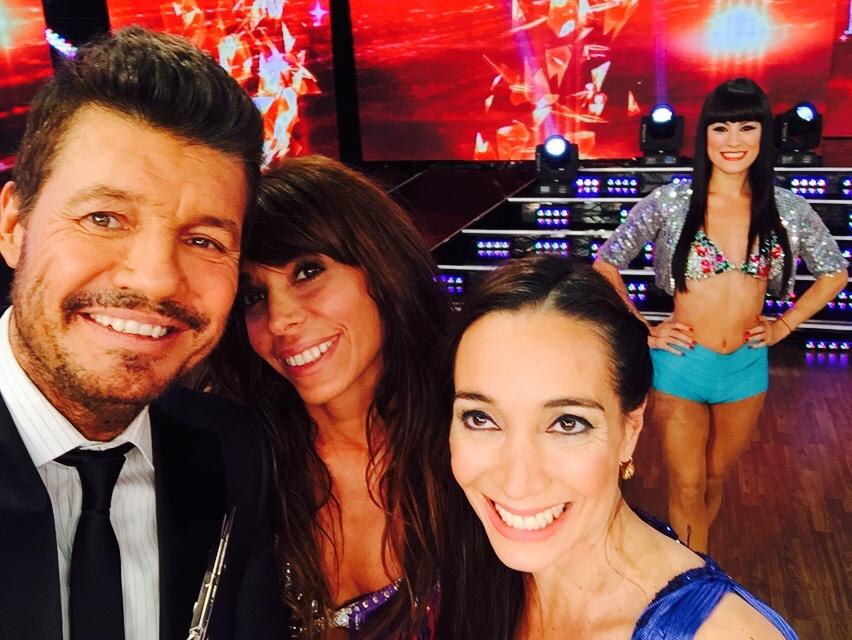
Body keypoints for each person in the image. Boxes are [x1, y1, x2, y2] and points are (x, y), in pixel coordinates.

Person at [0, 27, 287, 640]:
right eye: (104, 218)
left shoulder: (235, 452)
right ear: (14, 226)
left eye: (204, 240)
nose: (157, 280)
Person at [435, 254, 797, 639]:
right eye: (480, 418)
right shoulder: (460, 566)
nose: (517, 483)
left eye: (567, 423)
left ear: (630, 428)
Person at [594, 78, 848, 552]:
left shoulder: (787, 209)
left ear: (764, 135)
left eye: (746, 128)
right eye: (721, 128)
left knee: (714, 479)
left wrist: (784, 326)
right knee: (688, 485)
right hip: (682, 365)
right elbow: (607, 262)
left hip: (746, 369)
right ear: (704, 136)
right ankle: (694, 579)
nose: (733, 141)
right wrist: (642, 328)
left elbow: (835, 273)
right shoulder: (671, 201)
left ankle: (697, 563)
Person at [209, 155, 449, 638]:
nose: (280, 321)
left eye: (308, 272)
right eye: (254, 297)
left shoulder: (476, 436)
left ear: (382, 265)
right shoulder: (237, 460)